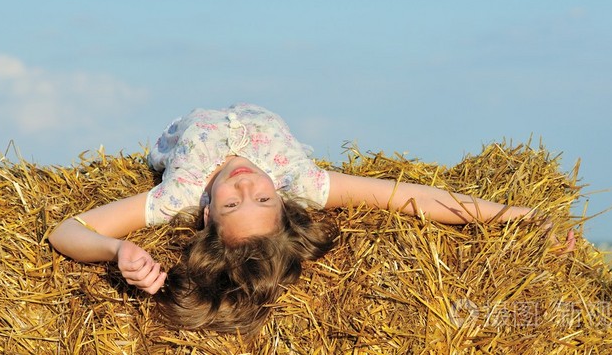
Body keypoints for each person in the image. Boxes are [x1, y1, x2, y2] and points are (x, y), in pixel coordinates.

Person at [48, 103, 574, 335]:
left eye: (235, 203)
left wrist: (117, 249)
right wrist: (517, 216)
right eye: (258, 201)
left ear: (206, 214)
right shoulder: (303, 182)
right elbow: (408, 198)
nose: (246, 186)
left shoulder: (178, 196)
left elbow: (68, 231)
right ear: (285, 205)